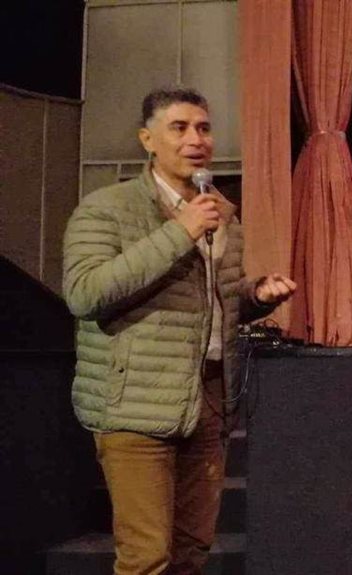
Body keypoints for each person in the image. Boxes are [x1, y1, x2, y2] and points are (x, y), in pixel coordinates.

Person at [62, 87, 296, 573]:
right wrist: (180, 231)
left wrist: (255, 296)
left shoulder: (221, 213)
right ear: (147, 139)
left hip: (208, 399)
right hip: (135, 403)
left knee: (194, 549)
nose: (197, 139)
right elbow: (85, 294)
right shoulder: (106, 208)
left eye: (204, 128)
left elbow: (207, 305)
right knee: (147, 557)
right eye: (180, 128)